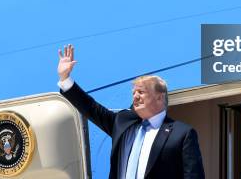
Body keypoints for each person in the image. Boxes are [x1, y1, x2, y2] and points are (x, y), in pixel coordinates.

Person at [57, 44, 205, 179]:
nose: (135, 96)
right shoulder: (122, 122)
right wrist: (65, 78)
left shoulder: (182, 134)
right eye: (134, 92)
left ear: (160, 97)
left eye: (141, 92)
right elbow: (90, 107)